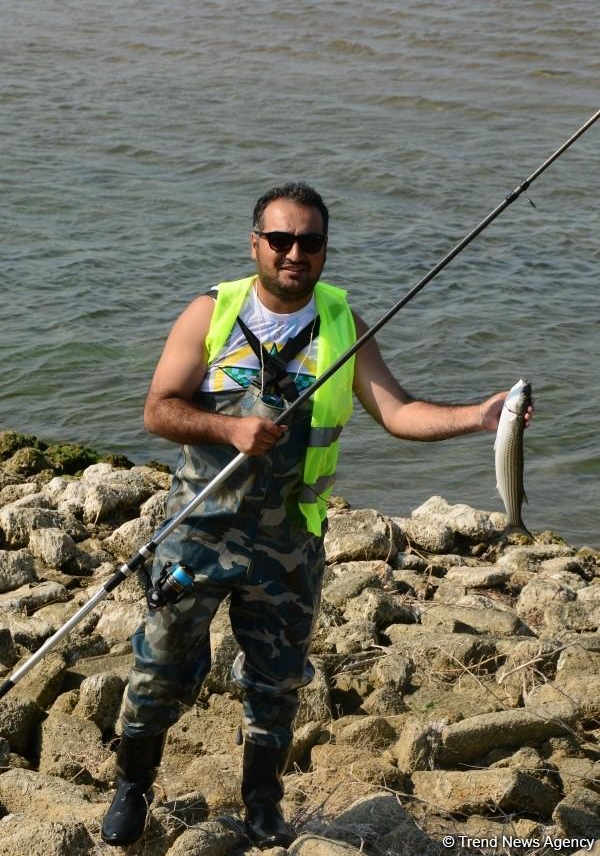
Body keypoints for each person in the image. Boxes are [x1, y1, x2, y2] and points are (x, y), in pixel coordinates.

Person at [101, 181, 533, 848]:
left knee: (276, 683)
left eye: (309, 241)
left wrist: (480, 416)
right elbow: (159, 409)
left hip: (290, 543)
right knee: (160, 665)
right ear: (256, 246)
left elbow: (398, 412)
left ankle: (264, 802)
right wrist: (229, 431)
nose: (294, 252)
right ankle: (132, 786)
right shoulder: (210, 313)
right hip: (197, 531)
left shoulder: (344, 324)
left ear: (325, 251)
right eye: (280, 240)